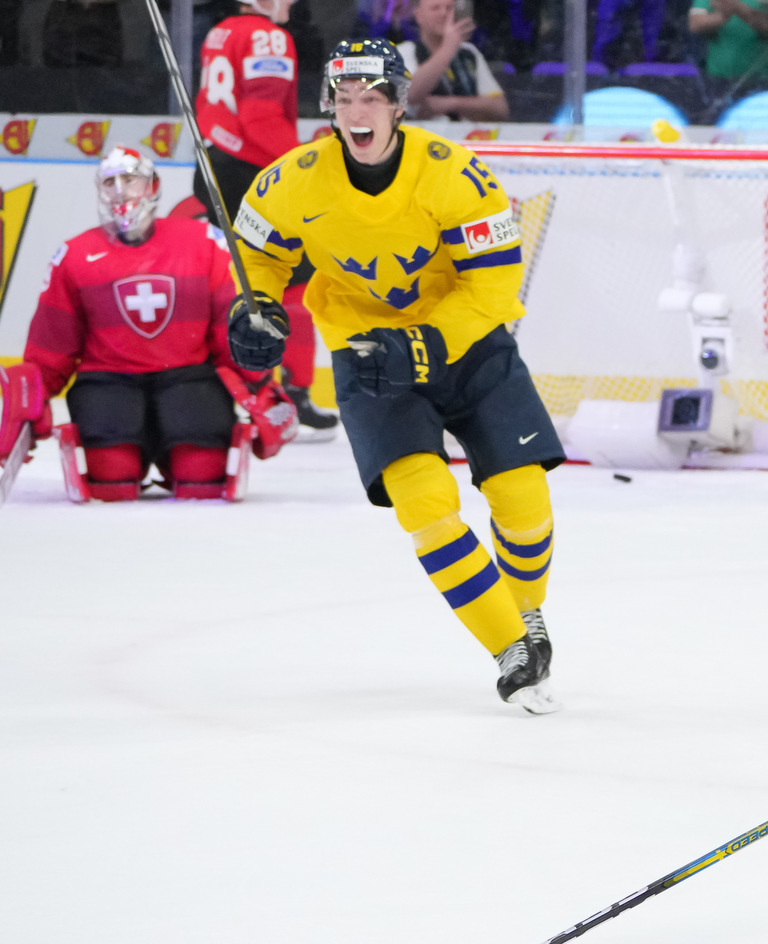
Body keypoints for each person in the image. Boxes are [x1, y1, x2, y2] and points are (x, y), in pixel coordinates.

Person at [225, 38, 562, 713]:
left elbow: (495, 290)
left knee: (524, 503)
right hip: (366, 355)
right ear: (329, 107)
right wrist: (252, 306)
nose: (357, 111)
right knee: (426, 506)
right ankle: (509, 649)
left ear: (399, 105)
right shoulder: (291, 180)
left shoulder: (456, 176)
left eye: (372, 98)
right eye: (345, 99)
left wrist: (425, 341)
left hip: (467, 347)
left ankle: (524, 616)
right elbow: (258, 258)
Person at [0, 146, 293, 503]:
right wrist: (31, 398)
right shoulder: (73, 256)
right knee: (112, 480)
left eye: (130, 179)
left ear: (152, 185)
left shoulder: (204, 243)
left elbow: (228, 328)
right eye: (109, 182)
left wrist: (260, 387)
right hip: (108, 380)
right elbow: (54, 340)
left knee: (202, 477)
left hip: (188, 378)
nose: (120, 190)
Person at [194, 0, 336, 439]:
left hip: (214, 167)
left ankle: (259, 391)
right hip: (249, 174)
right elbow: (260, 118)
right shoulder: (266, 37)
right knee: (291, 279)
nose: (291, 2)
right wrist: (297, 167)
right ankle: (284, 395)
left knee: (243, 284)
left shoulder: (220, 31)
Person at [399, 0, 510, 123]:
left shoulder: (468, 53)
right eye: (435, 8)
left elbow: (500, 109)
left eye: (449, 8)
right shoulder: (404, 52)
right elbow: (410, 94)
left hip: (466, 140)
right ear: (419, 15)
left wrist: (450, 103)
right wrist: (448, 48)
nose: (444, 13)